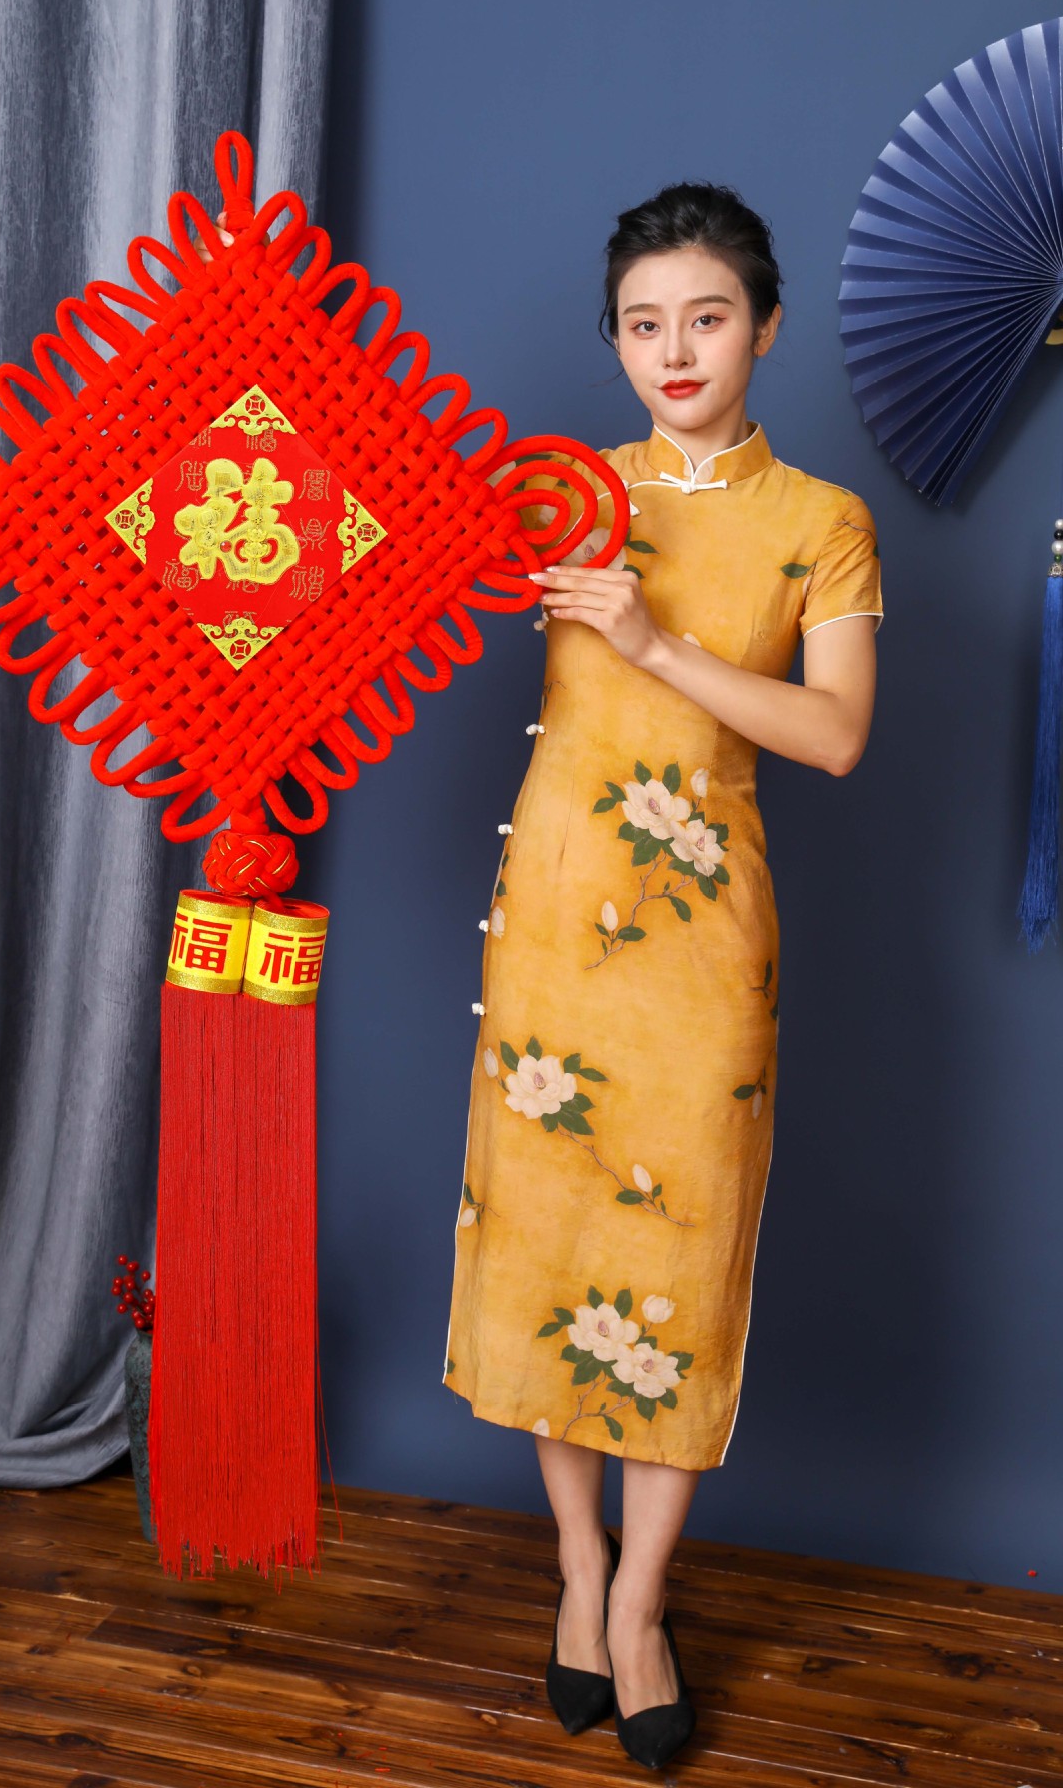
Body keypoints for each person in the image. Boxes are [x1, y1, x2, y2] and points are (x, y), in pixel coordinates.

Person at [442, 182, 882, 1769]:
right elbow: (376, 579)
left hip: (702, 948)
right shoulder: (556, 496)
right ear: (615, 342)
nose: (675, 349)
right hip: (555, 920)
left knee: (679, 1269)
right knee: (548, 1249)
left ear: (765, 327)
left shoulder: (822, 520)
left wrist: (653, 643)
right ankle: (578, 1568)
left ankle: (642, 1603)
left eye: (707, 317)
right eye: (644, 324)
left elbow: (835, 735)